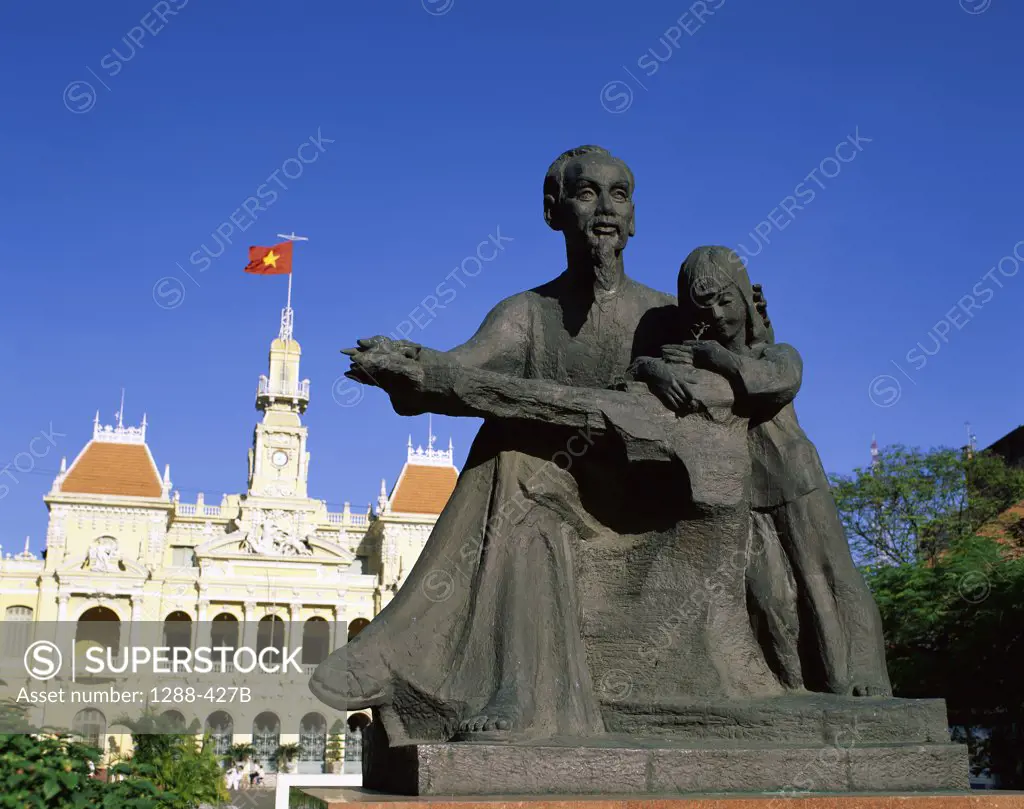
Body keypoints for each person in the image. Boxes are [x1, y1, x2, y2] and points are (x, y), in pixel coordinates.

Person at [312, 146, 776, 745]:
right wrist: (412, 366)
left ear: (633, 218)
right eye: (587, 194)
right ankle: (520, 692)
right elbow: (461, 369)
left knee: (519, 460)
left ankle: (401, 656)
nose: (606, 209)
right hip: (551, 495)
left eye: (620, 194)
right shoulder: (526, 314)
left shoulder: (667, 316)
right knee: (513, 454)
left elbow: (741, 379)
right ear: (554, 212)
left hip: (649, 503)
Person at [631, 245, 891, 696]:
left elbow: (777, 383)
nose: (716, 313)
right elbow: (634, 373)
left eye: (725, 300)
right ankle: (792, 684)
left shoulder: (775, 354)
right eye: (703, 305)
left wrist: (719, 360)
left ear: (746, 299)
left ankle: (862, 676)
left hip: (796, 480)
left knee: (828, 574)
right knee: (770, 596)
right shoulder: (688, 355)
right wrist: (654, 367)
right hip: (741, 490)